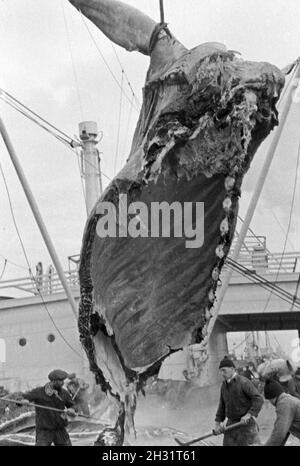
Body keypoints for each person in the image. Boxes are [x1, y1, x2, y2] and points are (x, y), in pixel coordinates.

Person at [214, 356, 264, 446]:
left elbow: (258, 399)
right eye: (220, 371)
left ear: (232, 369)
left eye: (224, 370)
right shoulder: (224, 386)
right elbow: (222, 406)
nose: (222, 373)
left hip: (246, 424)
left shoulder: (244, 382)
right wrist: (217, 424)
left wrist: (249, 415)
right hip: (231, 425)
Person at [19, 369, 76, 446]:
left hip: (60, 429)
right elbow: (22, 398)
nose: (63, 383)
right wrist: (23, 401)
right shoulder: (39, 392)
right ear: (53, 381)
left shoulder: (64, 393)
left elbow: (73, 405)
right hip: (44, 431)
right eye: (61, 381)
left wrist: (72, 409)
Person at [264, 378, 300, 445]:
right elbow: (284, 431)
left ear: (271, 398)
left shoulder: (284, 403)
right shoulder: (288, 400)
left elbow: (279, 434)